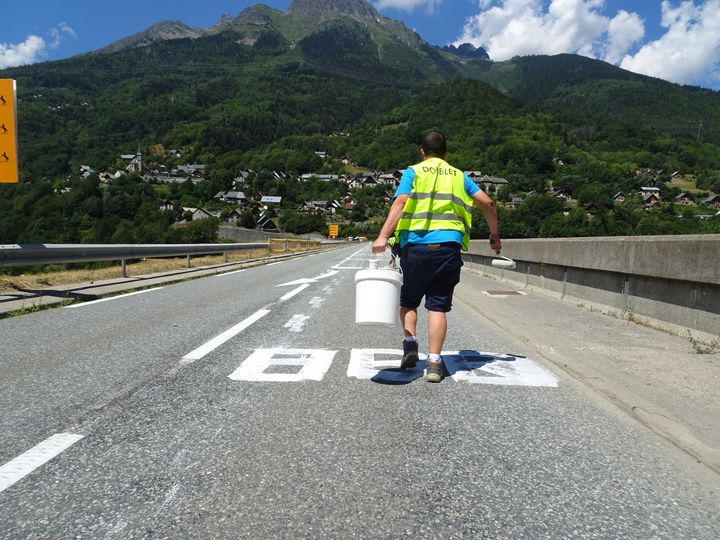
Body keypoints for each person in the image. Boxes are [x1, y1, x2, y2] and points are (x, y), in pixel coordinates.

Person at [371, 131, 501, 382]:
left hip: (415, 248)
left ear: (422, 152)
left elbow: (400, 202)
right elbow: (488, 203)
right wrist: (494, 235)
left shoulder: (413, 172)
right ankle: (433, 363)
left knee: (409, 302)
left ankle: (410, 344)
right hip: (448, 249)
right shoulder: (459, 176)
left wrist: (383, 236)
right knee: (438, 307)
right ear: (446, 153)